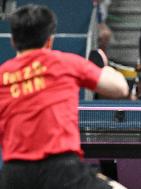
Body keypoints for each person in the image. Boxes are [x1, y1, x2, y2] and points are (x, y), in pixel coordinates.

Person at [0, 4, 128, 189]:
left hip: (14, 174)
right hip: (62, 170)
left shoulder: (2, 75)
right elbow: (120, 88)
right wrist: (103, 66)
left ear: (12, 41)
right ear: (49, 40)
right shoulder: (65, 62)